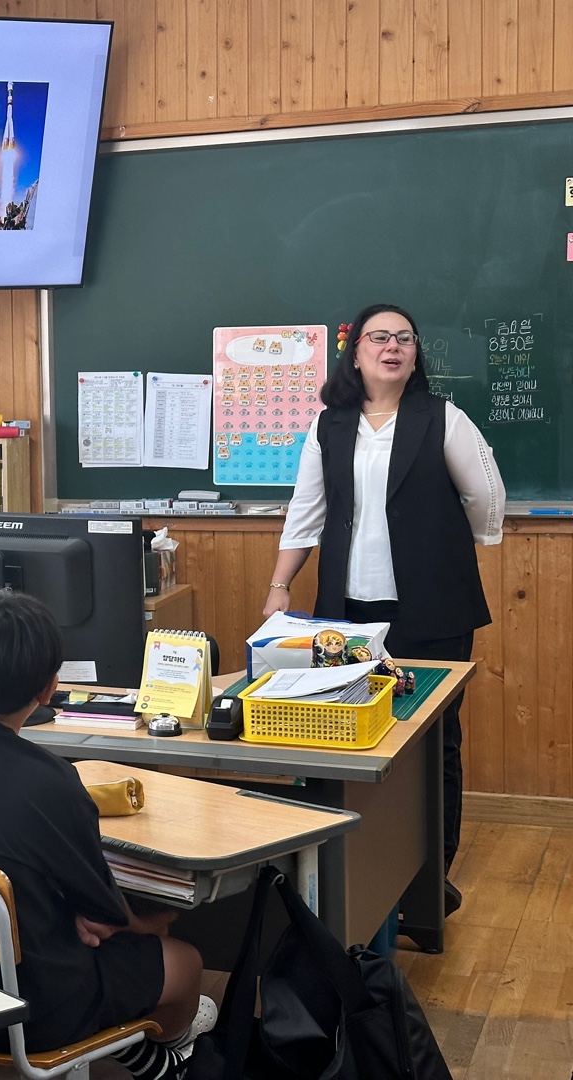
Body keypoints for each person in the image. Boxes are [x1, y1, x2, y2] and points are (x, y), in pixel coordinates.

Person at [0, 591, 214, 1079]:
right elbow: (106, 916)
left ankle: (134, 1053)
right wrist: (154, 921)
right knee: (184, 962)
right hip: (28, 1007)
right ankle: (168, 1060)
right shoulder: (51, 780)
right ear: (51, 688)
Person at [264, 302, 505, 915]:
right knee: (348, 737)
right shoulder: (330, 426)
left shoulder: (442, 418)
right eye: (379, 337)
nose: (393, 346)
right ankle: (359, 874)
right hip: (346, 615)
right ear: (357, 351)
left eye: (404, 338)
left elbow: (485, 495)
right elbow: (306, 511)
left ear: (415, 353)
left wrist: (442, 545)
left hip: (432, 610)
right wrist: (279, 586)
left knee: (432, 742)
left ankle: (430, 884)